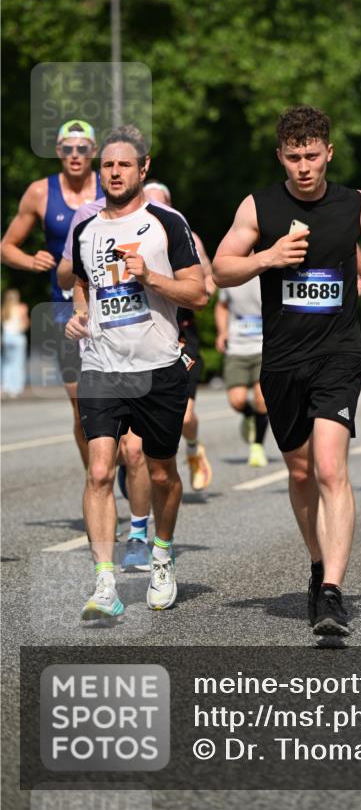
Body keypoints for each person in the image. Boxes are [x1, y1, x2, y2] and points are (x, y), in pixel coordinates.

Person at [212, 105, 361, 637]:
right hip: (282, 361)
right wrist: (267, 258)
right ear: (281, 156)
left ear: (329, 154)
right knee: (299, 472)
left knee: (329, 468)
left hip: (339, 354)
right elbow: (221, 269)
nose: (303, 166)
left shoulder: (353, 203)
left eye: (312, 156)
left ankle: (335, 593)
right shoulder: (260, 206)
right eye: (293, 157)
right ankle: (318, 566)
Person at [65, 125, 206, 621]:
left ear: (143, 169)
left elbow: (199, 293)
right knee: (101, 470)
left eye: (125, 164)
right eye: (108, 165)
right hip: (102, 366)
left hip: (159, 367)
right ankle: (105, 583)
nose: (115, 172)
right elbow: (82, 285)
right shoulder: (86, 230)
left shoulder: (166, 223)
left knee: (164, 473)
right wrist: (81, 314)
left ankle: (162, 555)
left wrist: (150, 277)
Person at [0, 121, 102, 461]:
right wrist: (31, 262)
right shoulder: (40, 192)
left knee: (122, 397)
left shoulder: (111, 185)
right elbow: (6, 247)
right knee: (80, 406)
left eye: (82, 148)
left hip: (113, 305)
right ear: (58, 151)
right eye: (68, 149)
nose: (75, 155)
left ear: (94, 151)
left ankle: (123, 456)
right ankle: (96, 479)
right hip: (65, 310)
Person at [143, 181, 216, 491]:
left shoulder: (187, 235)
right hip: (143, 332)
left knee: (185, 417)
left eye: (162, 205)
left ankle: (193, 448)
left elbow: (209, 277)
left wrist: (205, 290)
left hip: (181, 332)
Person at [215, 276, 269, 467]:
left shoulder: (268, 269)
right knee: (237, 401)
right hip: (237, 347)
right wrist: (222, 332)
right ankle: (249, 416)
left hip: (264, 346)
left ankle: (257, 446)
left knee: (262, 399)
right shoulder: (231, 272)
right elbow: (222, 305)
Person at [1, 289, 29, 397]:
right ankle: (16, 388)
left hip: (6, 338)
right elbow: (25, 324)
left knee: (7, 363)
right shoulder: (21, 308)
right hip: (18, 337)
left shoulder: (4, 310)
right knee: (18, 363)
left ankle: (6, 386)